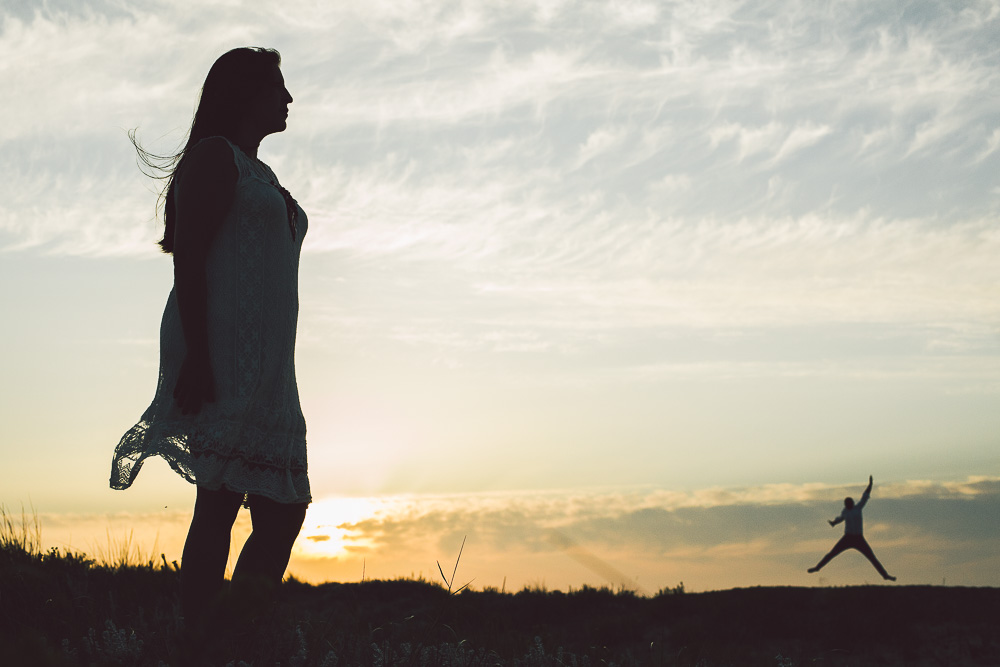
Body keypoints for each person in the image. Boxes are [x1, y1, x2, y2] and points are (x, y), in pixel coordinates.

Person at [110, 47, 310, 638]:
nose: (289, 99)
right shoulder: (215, 159)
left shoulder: (260, 172)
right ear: (246, 94)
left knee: (281, 510)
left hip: (270, 369)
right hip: (223, 359)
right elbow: (190, 261)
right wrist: (197, 358)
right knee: (221, 503)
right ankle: (206, 643)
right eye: (278, 86)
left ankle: (221, 638)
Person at [808, 475, 896, 581]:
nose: (849, 505)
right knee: (832, 553)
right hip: (847, 538)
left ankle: (885, 575)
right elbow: (840, 518)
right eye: (847, 504)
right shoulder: (845, 512)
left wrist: (870, 485)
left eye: (850, 503)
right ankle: (817, 568)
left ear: (852, 503)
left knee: (872, 558)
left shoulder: (858, 508)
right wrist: (834, 523)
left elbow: (865, 496)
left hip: (859, 538)